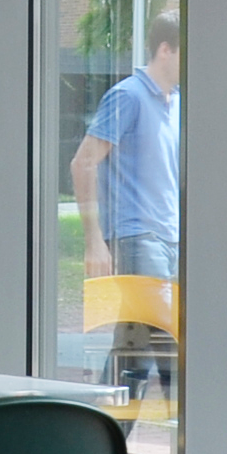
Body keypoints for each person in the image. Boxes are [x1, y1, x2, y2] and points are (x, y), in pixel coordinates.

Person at [72, 15, 182, 280]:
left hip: (174, 238)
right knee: (157, 322)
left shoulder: (179, 102)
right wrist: (94, 241)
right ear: (165, 50)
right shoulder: (128, 96)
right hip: (137, 238)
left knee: (141, 321)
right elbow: (83, 163)